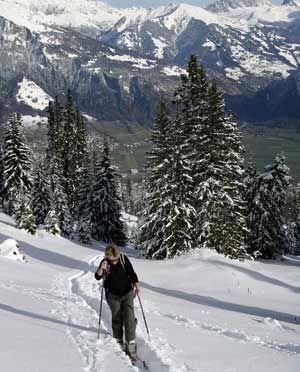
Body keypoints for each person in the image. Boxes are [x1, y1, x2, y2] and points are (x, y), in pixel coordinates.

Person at [95, 243, 141, 357]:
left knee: (129, 317)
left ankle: (131, 342)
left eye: (116, 259)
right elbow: (97, 277)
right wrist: (101, 268)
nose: (115, 261)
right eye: (112, 260)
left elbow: (132, 274)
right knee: (117, 317)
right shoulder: (105, 262)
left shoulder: (124, 259)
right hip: (112, 295)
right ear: (107, 256)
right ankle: (118, 340)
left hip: (127, 292)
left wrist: (137, 286)